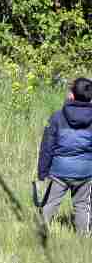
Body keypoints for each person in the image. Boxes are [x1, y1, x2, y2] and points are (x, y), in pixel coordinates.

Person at [37, 77, 92, 234]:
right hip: (85, 173)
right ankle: (83, 238)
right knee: (82, 206)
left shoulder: (57, 117)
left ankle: (40, 232)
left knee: (50, 203)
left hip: (59, 172)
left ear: (71, 95)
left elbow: (47, 147)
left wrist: (42, 172)